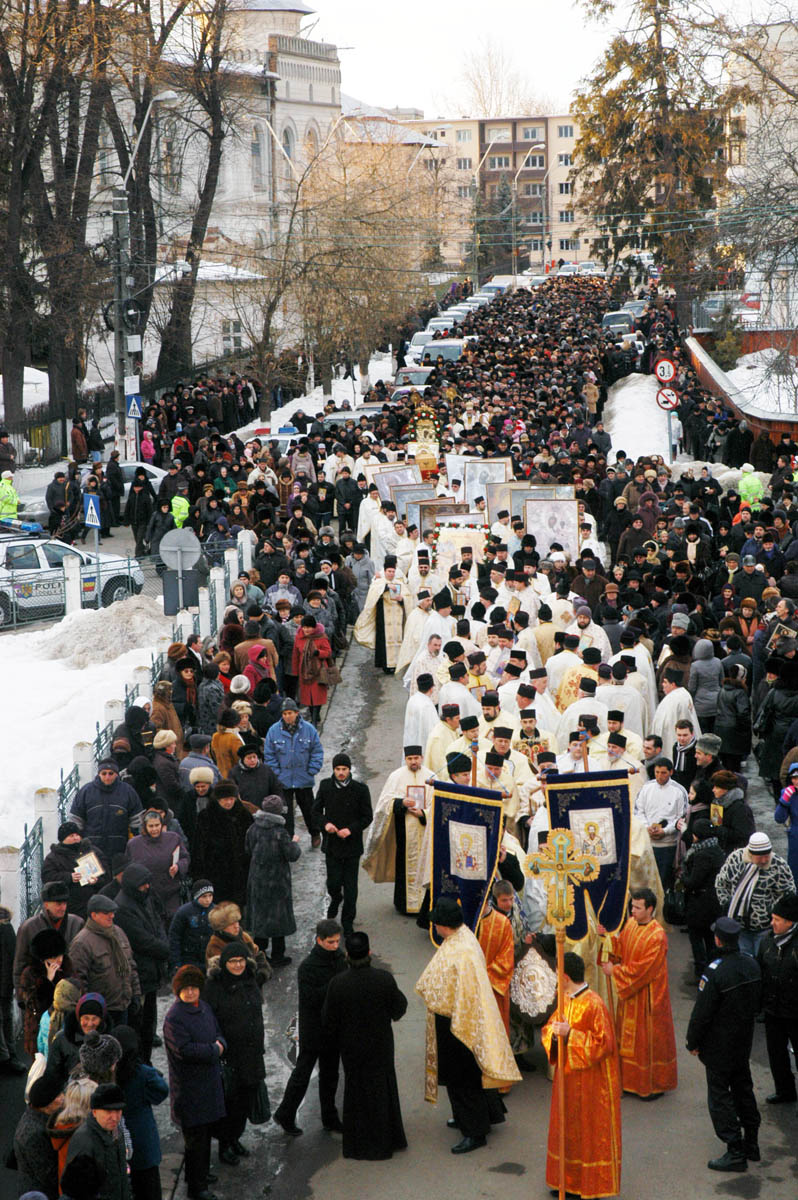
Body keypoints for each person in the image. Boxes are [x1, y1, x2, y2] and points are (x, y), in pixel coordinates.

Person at [415, 897, 521, 1155]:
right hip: (459, 1019)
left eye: (436, 924)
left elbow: (461, 990)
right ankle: (479, 1116)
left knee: (463, 1079)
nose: (435, 928)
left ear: (443, 925)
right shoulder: (462, 937)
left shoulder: (461, 951)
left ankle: (475, 1131)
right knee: (468, 1076)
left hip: (459, 1024)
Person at [540, 952, 622, 1199]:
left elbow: (605, 1044)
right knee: (567, 1129)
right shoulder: (565, 999)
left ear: (565, 977)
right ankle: (566, 1180)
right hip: (566, 1080)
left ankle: (589, 1184)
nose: (555, 978)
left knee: (587, 1132)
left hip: (590, 1084)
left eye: (557, 974)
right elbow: (549, 1029)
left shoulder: (594, 1004)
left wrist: (571, 1035)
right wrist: (554, 1035)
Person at [685, 916, 762, 1173]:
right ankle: (752, 1143)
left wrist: (692, 1042)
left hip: (718, 1046)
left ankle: (735, 1150)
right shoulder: (751, 965)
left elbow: (702, 1012)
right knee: (743, 1089)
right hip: (743, 1043)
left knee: (720, 1097)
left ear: (718, 940)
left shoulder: (715, 971)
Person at [322, 931, 407, 1160]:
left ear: (347, 955)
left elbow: (329, 1020)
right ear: (369, 953)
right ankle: (388, 1139)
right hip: (380, 1045)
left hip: (351, 1048)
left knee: (356, 1092)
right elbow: (399, 1008)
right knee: (383, 1089)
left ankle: (358, 1144)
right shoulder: (383, 979)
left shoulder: (337, 984)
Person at [600, 887, 678, 1098]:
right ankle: (628, 1081)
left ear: (650, 909)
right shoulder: (632, 924)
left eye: (637, 907)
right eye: (632, 906)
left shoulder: (657, 935)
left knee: (645, 1042)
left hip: (648, 997)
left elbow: (643, 970)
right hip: (631, 996)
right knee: (628, 1041)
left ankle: (650, 1085)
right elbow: (621, 948)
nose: (632, 911)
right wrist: (606, 938)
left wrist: (614, 970)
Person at [273, 919, 346, 1137]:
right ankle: (285, 1113)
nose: (335, 946)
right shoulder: (308, 967)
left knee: (331, 1075)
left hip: (333, 1028)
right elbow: (311, 999)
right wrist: (335, 985)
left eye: (337, 942)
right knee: (303, 1074)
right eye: (330, 942)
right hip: (314, 1029)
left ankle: (330, 1117)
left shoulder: (340, 959)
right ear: (319, 940)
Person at [163, 965, 226, 1200]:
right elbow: (184, 1050)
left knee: (205, 1133)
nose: (190, 993)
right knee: (195, 1139)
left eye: (194, 988)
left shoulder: (204, 1007)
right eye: (186, 989)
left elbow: (218, 1031)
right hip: (189, 1088)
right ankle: (196, 1187)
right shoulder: (174, 1018)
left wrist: (220, 1043)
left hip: (208, 1083)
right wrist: (214, 1050)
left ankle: (198, 1175)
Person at [203, 941, 269, 1166]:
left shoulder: (250, 978)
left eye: (241, 960)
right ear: (224, 963)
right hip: (229, 1056)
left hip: (251, 1053)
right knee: (229, 1103)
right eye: (233, 961)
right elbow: (208, 1021)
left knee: (245, 1101)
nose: (238, 965)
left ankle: (235, 1138)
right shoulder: (213, 987)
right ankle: (224, 1144)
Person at [362, 746, 429, 915]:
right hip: (403, 830)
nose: (413, 761)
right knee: (403, 867)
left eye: (416, 758)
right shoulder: (396, 776)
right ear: (405, 760)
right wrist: (401, 803)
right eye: (410, 759)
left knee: (424, 866)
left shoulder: (430, 777)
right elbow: (384, 804)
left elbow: (436, 804)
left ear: (421, 758)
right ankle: (403, 904)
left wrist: (424, 813)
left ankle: (424, 904)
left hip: (424, 830)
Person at [113, 865, 170, 1064]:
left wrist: (163, 943)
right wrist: (166, 950)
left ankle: (146, 1062)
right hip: (140, 974)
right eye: (143, 884)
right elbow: (141, 940)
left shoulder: (143, 898)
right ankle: (141, 1064)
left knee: (148, 1022)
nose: (147, 886)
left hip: (150, 972)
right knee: (141, 1024)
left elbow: (158, 923)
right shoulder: (123, 908)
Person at [312, 753, 373, 936]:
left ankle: (347, 923)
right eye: (337, 769)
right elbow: (315, 812)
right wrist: (326, 825)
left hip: (352, 846)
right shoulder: (325, 786)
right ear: (333, 770)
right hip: (332, 845)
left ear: (349, 770)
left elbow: (367, 816)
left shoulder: (360, 789)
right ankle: (335, 898)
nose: (340, 773)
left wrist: (351, 830)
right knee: (333, 882)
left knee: (351, 888)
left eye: (344, 769)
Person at [714, 831, 796, 957]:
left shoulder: (779, 866)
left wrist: (772, 914)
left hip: (764, 928)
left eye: (767, 855)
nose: (764, 860)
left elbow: (789, 894)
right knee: (744, 962)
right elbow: (721, 883)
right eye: (760, 856)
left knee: (762, 962)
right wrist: (726, 904)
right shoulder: (735, 860)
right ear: (750, 853)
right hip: (738, 926)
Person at [244, 795, 302, 966]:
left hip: (257, 880)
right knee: (278, 919)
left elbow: (247, 849)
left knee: (260, 919)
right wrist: (294, 842)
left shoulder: (253, 829)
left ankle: (260, 954)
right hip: (278, 881)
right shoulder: (280, 833)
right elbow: (293, 855)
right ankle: (278, 955)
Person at [114, 1024, 169, 1200]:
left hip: (118, 1141)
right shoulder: (142, 1073)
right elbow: (161, 1091)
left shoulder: (109, 1073)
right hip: (144, 1141)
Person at [68, 894, 141, 1027]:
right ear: (94, 915)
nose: (112, 916)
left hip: (123, 1005)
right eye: (106, 913)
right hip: (101, 1012)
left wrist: (135, 994)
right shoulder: (82, 943)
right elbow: (78, 981)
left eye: (112, 912)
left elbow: (131, 966)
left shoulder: (118, 933)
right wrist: (90, 1009)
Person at [263, 697, 324, 844]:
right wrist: (277, 774)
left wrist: (312, 769)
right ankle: (288, 837)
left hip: (304, 778)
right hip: (283, 780)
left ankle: (315, 833)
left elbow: (317, 751)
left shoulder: (309, 730)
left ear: (297, 713)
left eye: (290, 713)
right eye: (284, 714)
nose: (287, 716)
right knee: (286, 812)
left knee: (309, 809)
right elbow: (269, 755)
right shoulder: (273, 731)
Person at [756, 893, 798, 1104]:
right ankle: (785, 1091)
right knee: (776, 1054)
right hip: (773, 1010)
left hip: (794, 1011)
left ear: (790, 922)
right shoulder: (767, 943)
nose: (772, 923)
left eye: (777, 919)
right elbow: (760, 973)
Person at [13, 881, 83, 999]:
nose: (63, 908)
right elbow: (20, 965)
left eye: (65, 903)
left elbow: (82, 962)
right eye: (58, 903)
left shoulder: (77, 923)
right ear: (46, 904)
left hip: (69, 996)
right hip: (40, 995)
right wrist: (22, 999)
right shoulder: (28, 928)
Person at [61, 1083, 131, 1200]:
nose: (115, 1118)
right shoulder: (83, 1140)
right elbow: (75, 1190)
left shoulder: (116, 1131)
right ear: (94, 1112)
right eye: (108, 1112)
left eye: (118, 1111)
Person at [68, 759, 143, 864]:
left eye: (111, 773)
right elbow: (76, 819)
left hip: (120, 848)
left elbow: (136, 818)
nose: (107, 777)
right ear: (99, 774)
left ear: (116, 774)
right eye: (104, 773)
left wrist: (135, 839)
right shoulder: (86, 791)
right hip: (92, 849)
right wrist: (77, 842)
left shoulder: (128, 791)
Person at [192, 782, 253, 909]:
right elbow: (199, 847)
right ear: (217, 799)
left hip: (240, 870)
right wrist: (199, 873)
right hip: (216, 870)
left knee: (239, 905)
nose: (229, 802)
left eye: (232, 799)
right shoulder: (206, 816)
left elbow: (252, 841)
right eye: (225, 799)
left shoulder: (243, 814)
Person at [633, 759, 687, 889]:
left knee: (664, 883)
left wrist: (666, 831)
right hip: (649, 843)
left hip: (668, 845)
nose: (659, 776)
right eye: (657, 772)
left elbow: (682, 817)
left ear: (671, 772)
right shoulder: (646, 788)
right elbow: (639, 812)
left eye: (663, 773)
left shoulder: (679, 791)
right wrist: (647, 828)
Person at [682, 819, 725, 978]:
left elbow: (693, 882)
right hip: (714, 903)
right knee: (710, 939)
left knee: (697, 939)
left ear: (697, 836)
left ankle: (701, 973)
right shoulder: (717, 849)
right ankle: (713, 970)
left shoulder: (701, 855)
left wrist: (683, 878)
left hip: (700, 905)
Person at [41, 821, 107, 921]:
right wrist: (69, 877)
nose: (76, 838)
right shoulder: (53, 857)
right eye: (71, 835)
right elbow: (47, 877)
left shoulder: (92, 850)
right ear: (63, 839)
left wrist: (97, 880)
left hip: (94, 904)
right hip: (70, 907)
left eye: (77, 834)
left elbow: (106, 872)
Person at [13, 1074, 64, 1200]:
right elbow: (48, 1175)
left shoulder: (37, 1117)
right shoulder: (34, 1135)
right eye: (58, 1096)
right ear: (46, 1105)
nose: (63, 1098)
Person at [168, 880, 214, 970]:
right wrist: (176, 962)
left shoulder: (216, 912)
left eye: (210, 896)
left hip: (210, 959)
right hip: (189, 959)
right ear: (196, 896)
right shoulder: (184, 912)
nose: (208, 900)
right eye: (204, 896)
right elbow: (174, 937)